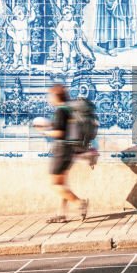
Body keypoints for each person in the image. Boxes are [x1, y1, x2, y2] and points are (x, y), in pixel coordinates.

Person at [44, 84, 89, 224]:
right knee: (63, 184)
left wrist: (44, 131)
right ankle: (61, 214)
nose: (49, 98)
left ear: (57, 96)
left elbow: (60, 133)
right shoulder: (69, 110)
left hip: (61, 151)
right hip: (69, 151)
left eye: (50, 95)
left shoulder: (61, 111)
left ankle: (80, 203)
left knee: (55, 184)